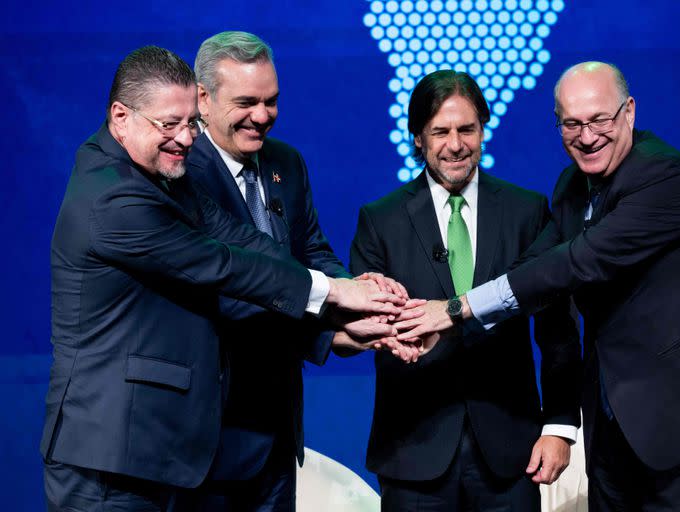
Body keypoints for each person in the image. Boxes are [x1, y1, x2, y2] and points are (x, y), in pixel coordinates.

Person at [41, 45, 409, 511]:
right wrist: (334, 292)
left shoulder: (161, 174)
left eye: (188, 123)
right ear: (120, 116)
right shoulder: (114, 198)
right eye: (168, 124)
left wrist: (346, 302)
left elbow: (241, 239)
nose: (184, 138)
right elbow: (221, 265)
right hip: (110, 455)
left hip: (158, 450)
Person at [393, 62, 680, 511]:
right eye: (571, 123)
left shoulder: (664, 176)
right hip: (612, 430)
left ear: (629, 112)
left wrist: (454, 310)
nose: (586, 136)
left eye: (599, 120)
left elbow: (575, 263)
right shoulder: (572, 185)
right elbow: (535, 263)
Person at [184, 31, 418, 510]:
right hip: (207, 433)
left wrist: (358, 291)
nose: (263, 115)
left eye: (272, 101)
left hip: (277, 428)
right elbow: (228, 290)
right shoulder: (181, 171)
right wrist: (330, 328)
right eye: (246, 102)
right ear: (203, 99)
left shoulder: (286, 163)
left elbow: (311, 252)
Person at [350, 70, 582, 511]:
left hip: (511, 454)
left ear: (482, 129)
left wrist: (558, 426)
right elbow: (366, 322)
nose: (455, 145)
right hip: (413, 452)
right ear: (417, 137)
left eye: (466, 129)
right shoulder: (380, 220)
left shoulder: (526, 211)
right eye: (440, 131)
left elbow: (557, 331)